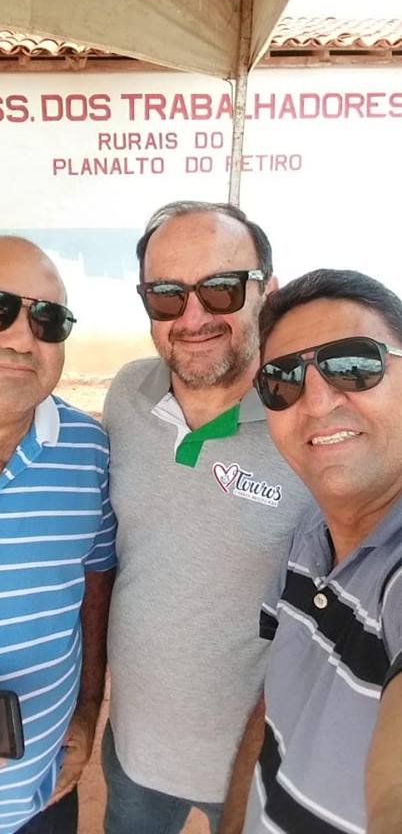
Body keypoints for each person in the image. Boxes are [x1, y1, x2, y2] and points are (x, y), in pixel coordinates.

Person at [102, 200, 311, 834]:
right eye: (166, 296)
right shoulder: (127, 395)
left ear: (268, 294)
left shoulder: (311, 423)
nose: (192, 318)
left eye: (221, 289)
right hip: (132, 753)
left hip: (262, 768)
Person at [0, 236, 117, 834]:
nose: (22, 339)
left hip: (40, 801)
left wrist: (87, 709)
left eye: (48, 320)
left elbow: (94, 581)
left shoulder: (86, 451)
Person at [225, 268, 402, 834]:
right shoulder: (307, 540)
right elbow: (275, 713)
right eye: (283, 379)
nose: (319, 401)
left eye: (353, 364)